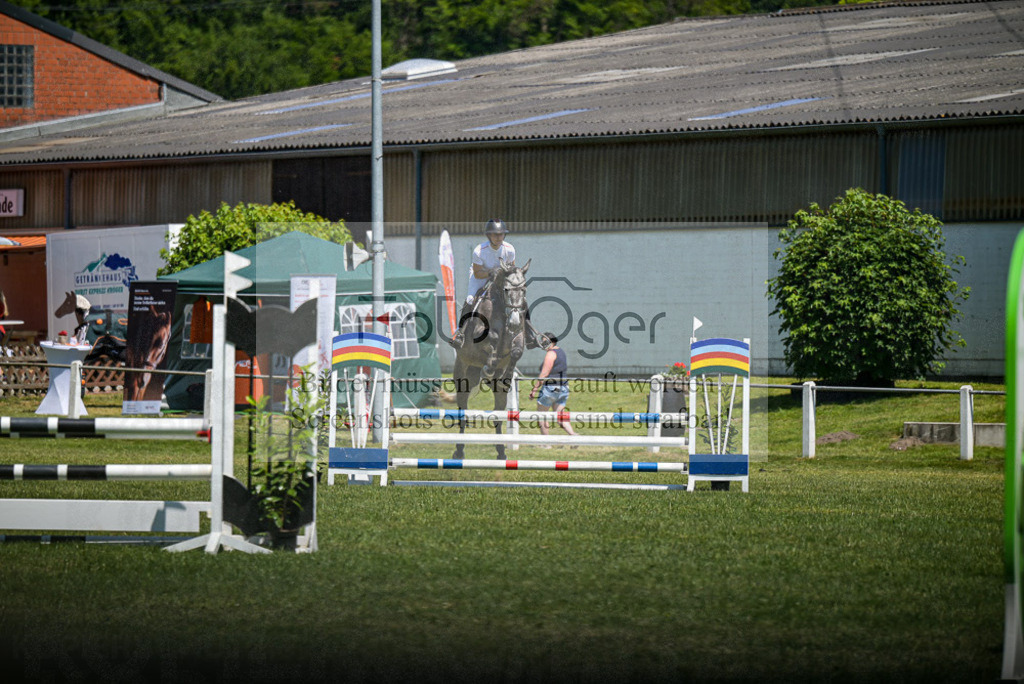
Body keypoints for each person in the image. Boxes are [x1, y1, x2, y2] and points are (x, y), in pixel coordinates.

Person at [452, 219, 546, 350]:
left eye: (501, 234)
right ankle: (460, 333)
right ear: (489, 235)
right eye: (495, 235)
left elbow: (512, 272)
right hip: (481, 276)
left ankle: (530, 337)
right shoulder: (479, 251)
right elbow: (478, 273)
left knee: (521, 300)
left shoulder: (509, 249)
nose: (498, 237)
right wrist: (491, 272)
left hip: (501, 278)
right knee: (470, 299)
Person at [528, 333, 577, 444]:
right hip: (563, 388)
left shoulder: (551, 354)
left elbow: (544, 374)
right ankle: (574, 437)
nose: (543, 344)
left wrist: (534, 389)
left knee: (542, 416)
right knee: (561, 417)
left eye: (545, 342)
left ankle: (546, 444)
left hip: (551, 388)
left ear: (552, 342)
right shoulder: (561, 352)